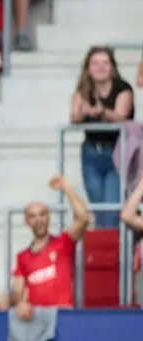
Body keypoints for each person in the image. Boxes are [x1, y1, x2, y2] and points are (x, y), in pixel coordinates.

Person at [70, 47, 134, 230]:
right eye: (95, 63)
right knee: (98, 208)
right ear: (88, 68)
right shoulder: (83, 90)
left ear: (113, 67)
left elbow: (122, 115)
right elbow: (74, 115)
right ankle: (104, 254)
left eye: (105, 63)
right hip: (91, 153)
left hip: (116, 152)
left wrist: (102, 112)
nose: (100, 67)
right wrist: (82, 112)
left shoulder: (123, 88)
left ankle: (114, 255)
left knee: (112, 208)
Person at [12, 177, 91, 314]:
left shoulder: (63, 242)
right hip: (37, 319)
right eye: (33, 216)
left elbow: (83, 218)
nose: (38, 220)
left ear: (48, 217)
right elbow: (17, 291)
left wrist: (67, 188)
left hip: (63, 315)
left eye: (42, 214)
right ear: (26, 221)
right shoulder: (22, 257)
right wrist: (19, 303)